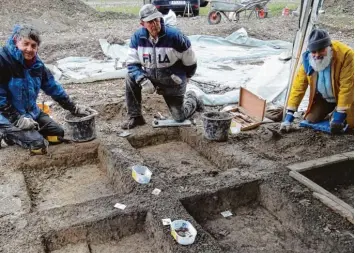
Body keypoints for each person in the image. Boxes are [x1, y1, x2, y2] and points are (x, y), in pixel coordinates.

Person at [0, 25, 95, 154]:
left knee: (57, 134)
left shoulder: (37, 65)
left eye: (33, 46)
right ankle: (6, 137)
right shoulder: (3, 61)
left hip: (31, 112)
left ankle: (28, 133)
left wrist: (74, 108)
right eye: (25, 44)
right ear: (16, 41)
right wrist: (18, 120)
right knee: (38, 145)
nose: (29, 49)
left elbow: (53, 88)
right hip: (7, 116)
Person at [122, 4, 203, 129]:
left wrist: (187, 76)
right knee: (130, 76)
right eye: (150, 22)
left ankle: (193, 98)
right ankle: (135, 116)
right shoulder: (137, 38)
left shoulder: (175, 37)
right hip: (151, 77)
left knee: (179, 117)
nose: (155, 24)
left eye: (156, 19)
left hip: (173, 80)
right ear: (142, 24)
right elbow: (132, 63)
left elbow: (191, 61)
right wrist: (142, 79)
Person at [280, 28, 354, 133]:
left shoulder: (346, 54)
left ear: (329, 47)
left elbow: (347, 86)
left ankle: (338, 112)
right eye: (314, 51)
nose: (317, 54)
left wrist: (340, 115)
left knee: (348, 124)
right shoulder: (308, 59)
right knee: (311, 119)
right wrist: (289, 115)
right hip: (325, 98)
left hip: (348, 97)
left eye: (321, 50)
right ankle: (333, 111)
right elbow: (298, 86)